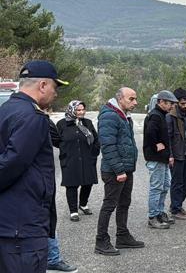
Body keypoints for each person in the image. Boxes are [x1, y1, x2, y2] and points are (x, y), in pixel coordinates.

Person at [0, 60, 63, 273]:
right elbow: (12, 163)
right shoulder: (33, 118)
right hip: (23, 217)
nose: (55, 95)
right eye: (54, 87)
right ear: (42, 85)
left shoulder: (5, 111)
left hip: (6, 217)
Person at [95, 87, 145, 255]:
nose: (135, 102)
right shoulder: (109, 115)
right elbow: (107, 146)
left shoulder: (124, 115)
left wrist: (127, 168)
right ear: (120, 99)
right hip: (114, 171)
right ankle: (101, 241)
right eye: (131, 99)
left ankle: (122, 236)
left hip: (125, 169)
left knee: (124, 204)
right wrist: (119, 170)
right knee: (109, 205)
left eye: (135, 98)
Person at [56, 100, 100, 221]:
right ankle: (73, 211)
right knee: (72, 185)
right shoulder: (61, 124)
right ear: (71, 110)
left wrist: (94, 153)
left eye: (83, 109)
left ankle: (83, 204)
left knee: (88, 182)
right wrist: (64, 151)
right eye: (78, 110)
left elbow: (96, 139)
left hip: (87, 158)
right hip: (70, 159)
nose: (81, 112)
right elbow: (56, 140)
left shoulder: (88, 123)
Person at [47, 116, 78, 273]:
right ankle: (51, 260)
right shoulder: (38, 117)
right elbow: (57, 140)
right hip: (33, 182)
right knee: (44, 219)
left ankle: (51, 259)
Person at [143, 90, 177, 229]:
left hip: (162, 158)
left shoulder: (162, 115)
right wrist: (156, 145)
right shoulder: (155, 116)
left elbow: (165, 138)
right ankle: (152, 217)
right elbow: (150, 133)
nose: (171, 106)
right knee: (156, 187)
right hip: (155, 158)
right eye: (169, 103)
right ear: (161, 102)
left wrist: (169, 155)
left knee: (165, 185)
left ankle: (160, 212)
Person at [166, 88, 186, 220]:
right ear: (176, 103)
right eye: (182, 103)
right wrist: (170, 155)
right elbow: (168, 137)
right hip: (177, 154)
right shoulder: (170, 117)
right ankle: (175, 209)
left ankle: (176, 204)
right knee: (177, 182)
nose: (185, 106)